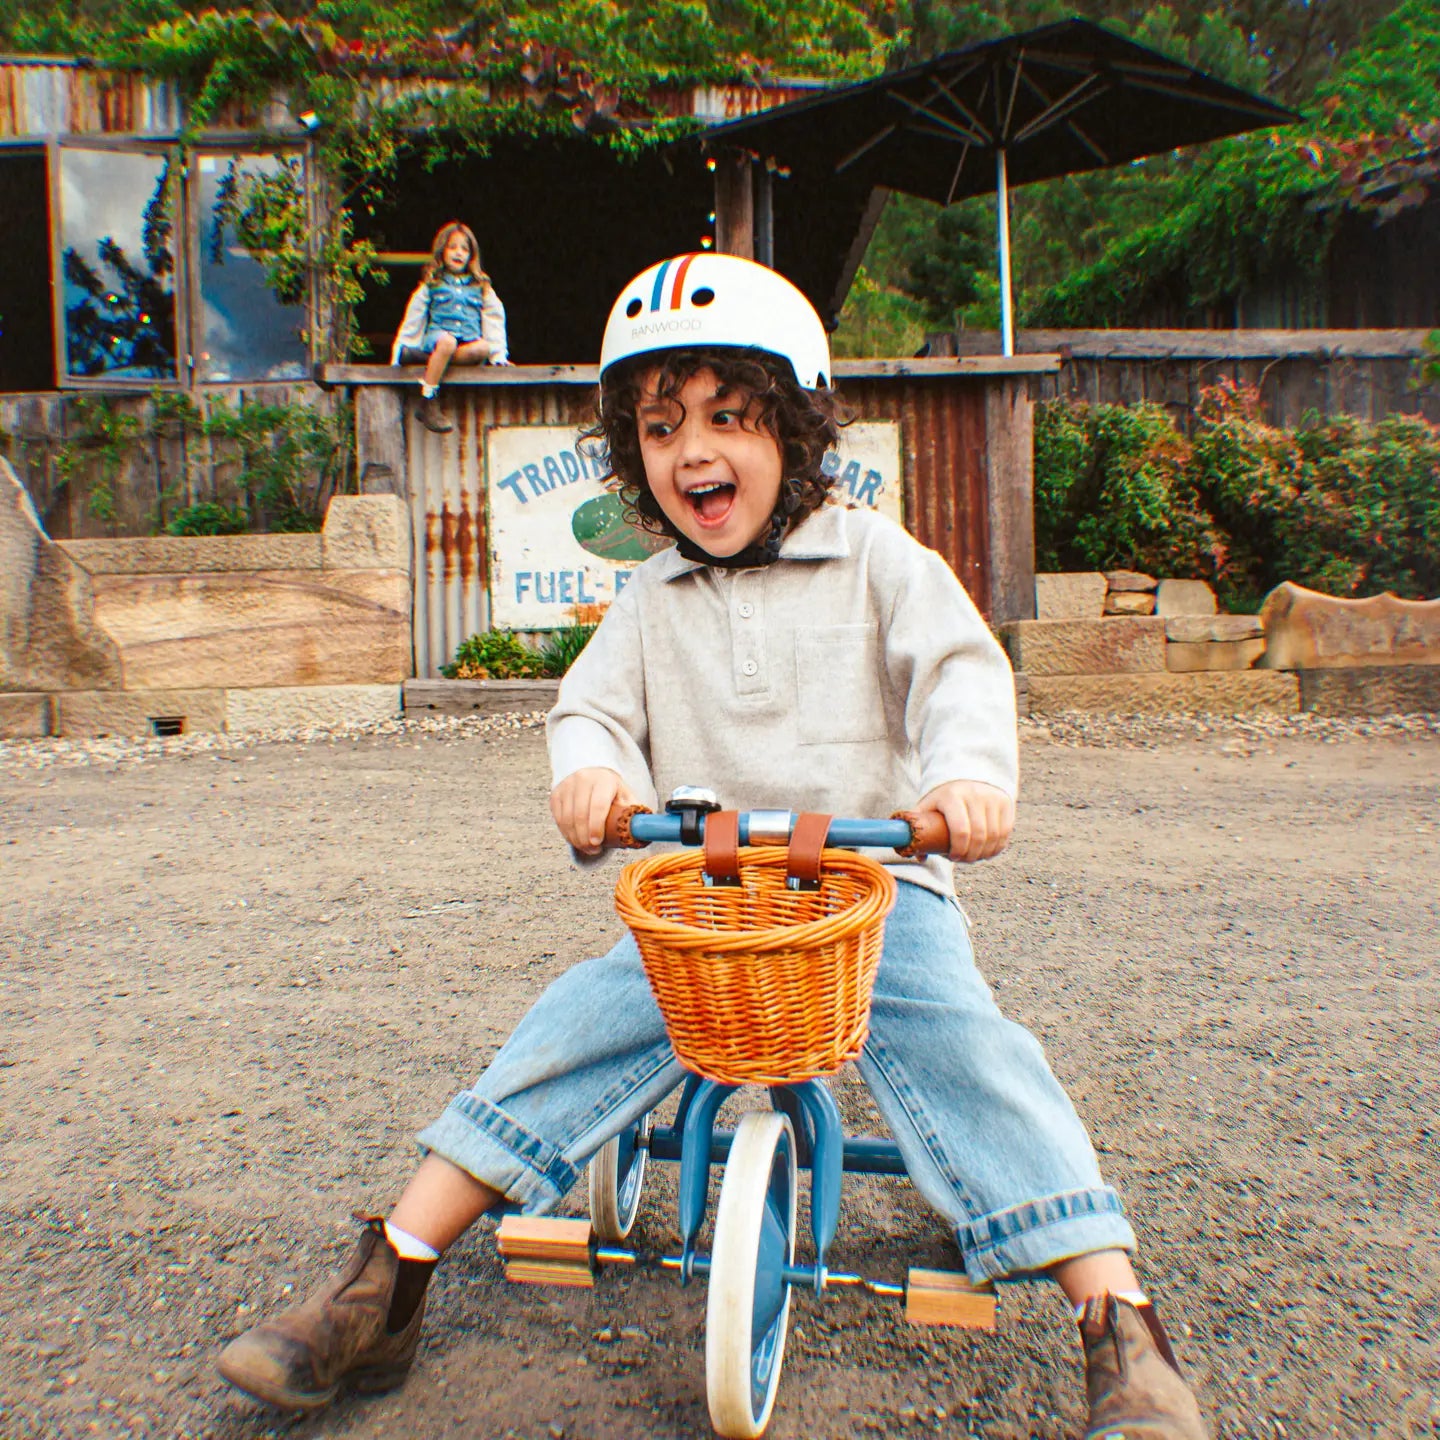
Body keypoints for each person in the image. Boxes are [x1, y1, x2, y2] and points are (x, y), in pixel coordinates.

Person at [218, 254, 1209, 1440]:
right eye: (659, 424)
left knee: (969, 1044)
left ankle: (1119, 1321)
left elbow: (959, 674)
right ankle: (391, 1276)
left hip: (874, 883)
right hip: (714, 896)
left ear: (794, 423)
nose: (693, 450)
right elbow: (591, 709)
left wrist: (966, 783)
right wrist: (594, 774)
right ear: (630, 454)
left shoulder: (879, 561)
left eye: (729, 416)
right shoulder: (650, 598)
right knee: (576, 1019)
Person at [390, 220, 509, 434]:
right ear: (442, 251)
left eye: (464, 249)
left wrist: (498, 356)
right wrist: (401, 348)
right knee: (447, 342)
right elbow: (415, 315)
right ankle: (427, 398)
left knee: (483, 347)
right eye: (453, 247)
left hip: (466, 343)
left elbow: (494, 317)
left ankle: (429, 360)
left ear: (472, 255)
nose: (458, 253)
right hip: (439, 338)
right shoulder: (433, 283)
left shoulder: (480, 286)